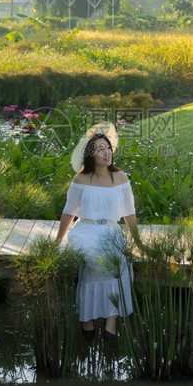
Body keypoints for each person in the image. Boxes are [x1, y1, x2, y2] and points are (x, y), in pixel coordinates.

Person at [55, 122, 138, 342]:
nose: (106, 152)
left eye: (108, 148)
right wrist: (57, 241)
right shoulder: (80, 179)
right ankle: (87, 317)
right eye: (100, 149)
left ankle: (112, 318)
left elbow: (129, 213)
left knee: (118, 261)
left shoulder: (121, 178)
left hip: (110, 229)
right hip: (86, 229)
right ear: (91, 155)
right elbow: (68, 212)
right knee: (92, 258)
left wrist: (138, 241)